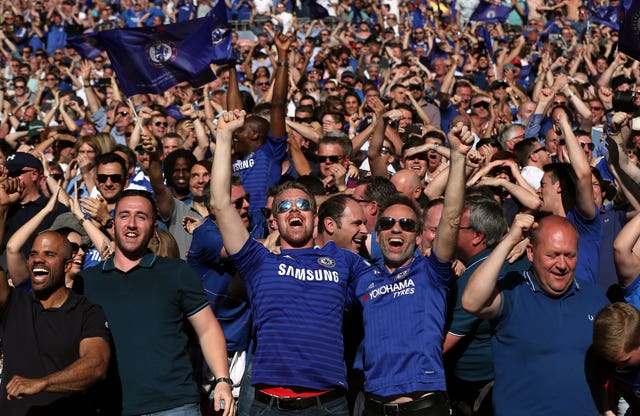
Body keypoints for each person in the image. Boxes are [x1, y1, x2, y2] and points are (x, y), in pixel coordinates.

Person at [211, 104, 374, 415]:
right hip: (267, 404)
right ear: (274, 221)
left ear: (315, 218)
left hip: (326, 404)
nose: (295, 210)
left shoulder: (344, 261)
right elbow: (221, 203)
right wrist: (223, 137)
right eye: (285, 207)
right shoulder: (257, 260)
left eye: (303, 204)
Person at [351, 122, 472, 416]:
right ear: (377, 235)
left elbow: (452, 218)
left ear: (418, 236)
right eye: (387, 223)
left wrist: (458, 158)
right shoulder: (362, 278)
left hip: (425, 405)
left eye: (406, 224)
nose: (396, 229)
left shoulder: (431, 271)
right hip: (374, 404)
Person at [78, 189, 234, 416]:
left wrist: (222, 380)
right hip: (110, 406)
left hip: (174, 405)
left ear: (153, 229)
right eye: (124, 216)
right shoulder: (87, 281)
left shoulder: (177, 272)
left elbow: (208, 329)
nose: (131, 224)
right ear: (113, 224)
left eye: (141, 217)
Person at [462, 214, 609, 416]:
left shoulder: (595, 297)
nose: (562, 264)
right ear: (530, 252)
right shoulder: (513, 291)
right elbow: (471, 301)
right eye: (552, 255)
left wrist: (607, 408)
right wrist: (510, 241)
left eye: (570, 255)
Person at [0, 230, 111, 415]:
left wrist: (42, 383)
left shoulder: (87, 312)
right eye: (33, 254)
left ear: (67, 265)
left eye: (49, 254)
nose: (38, 259)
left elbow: (97, 365)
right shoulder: (13, 303)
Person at [592, 302, 640, 415]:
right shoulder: (610, 358)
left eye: (625, 361)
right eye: (613, 362)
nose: (619, 367)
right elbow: (599, 383)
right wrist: (607, 411)